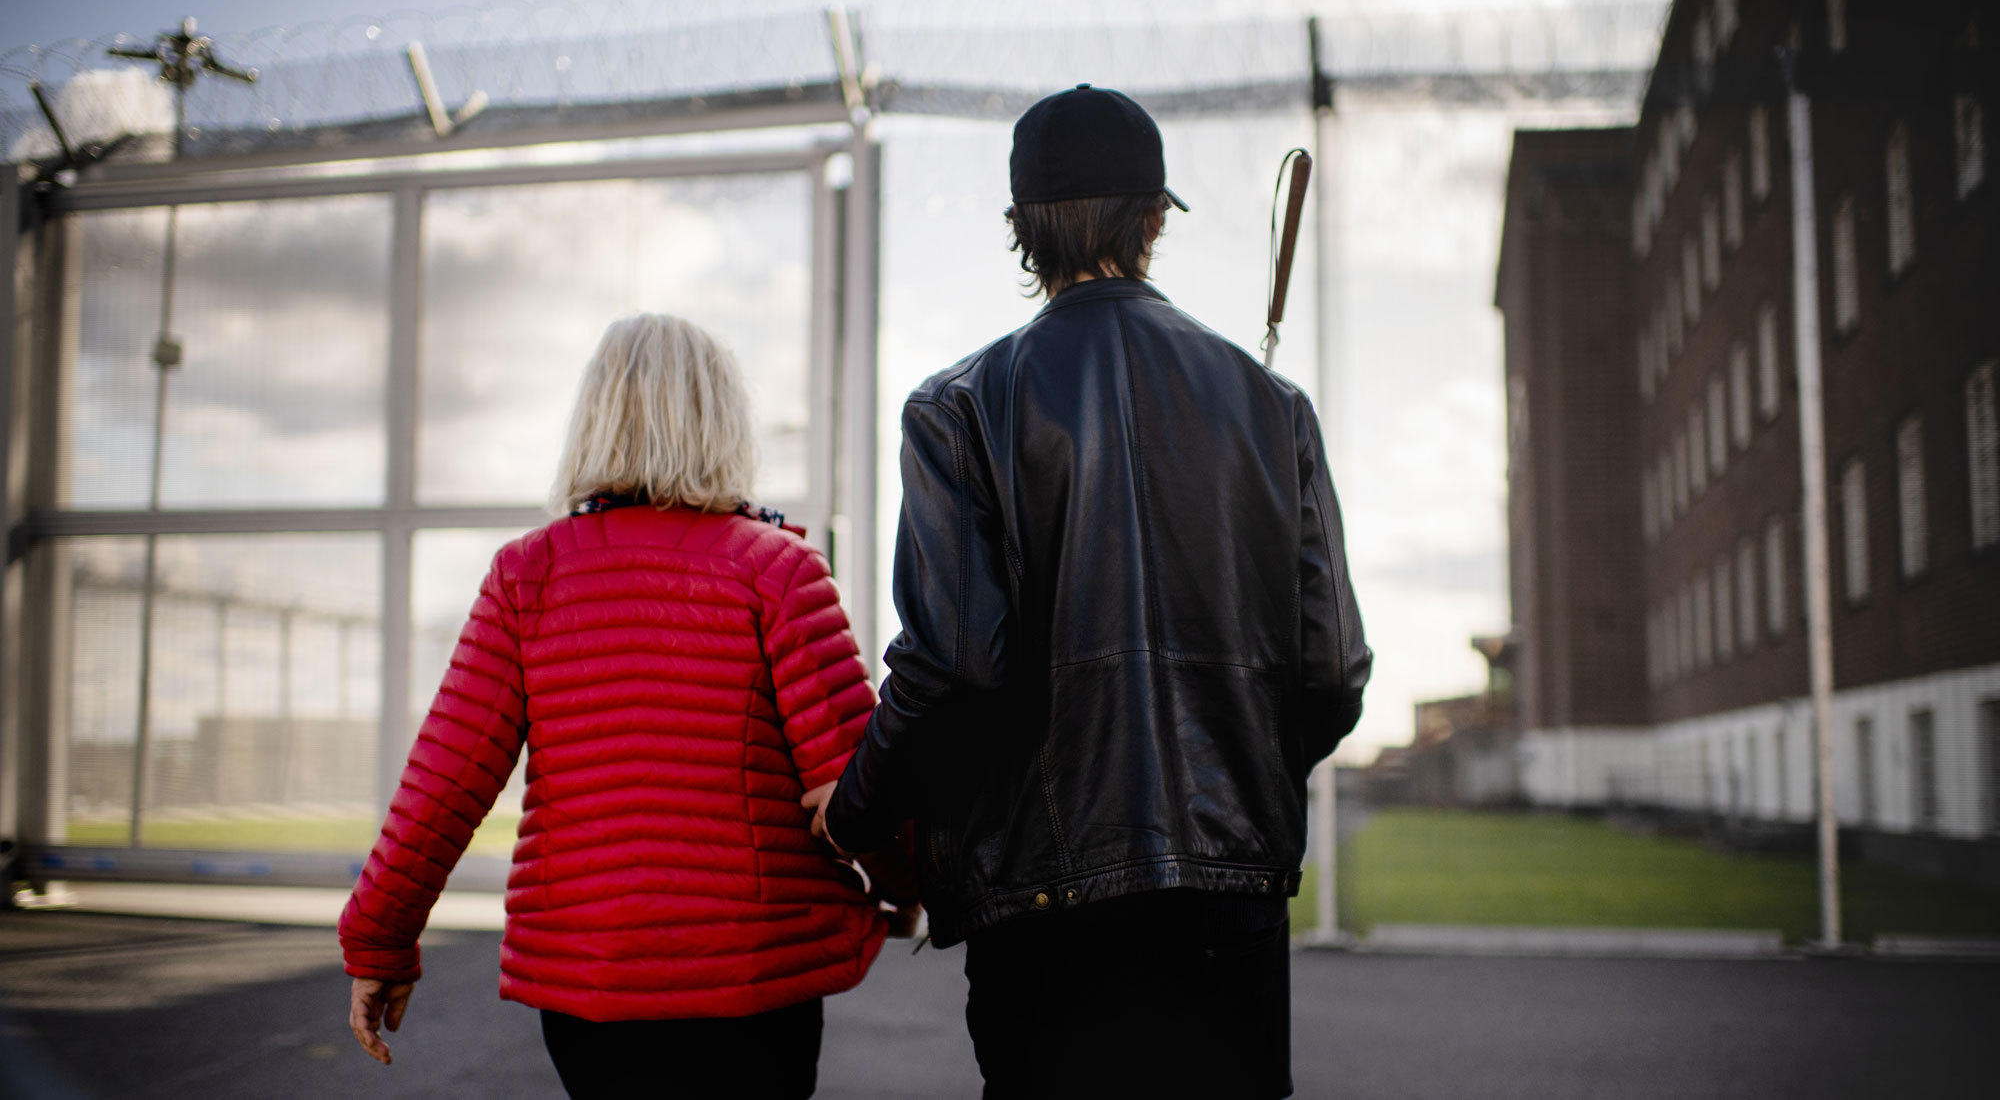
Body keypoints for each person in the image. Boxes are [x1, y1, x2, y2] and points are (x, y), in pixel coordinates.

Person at [804, 84, 1372, 1099]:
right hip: (1226, 903)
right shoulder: (1271, 405)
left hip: (1043, 913)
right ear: (1154, 220)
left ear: (1022, 230)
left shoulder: (956, 409)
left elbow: (955, 667)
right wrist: (1235, 767)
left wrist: (852, 814)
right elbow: (1329, 674)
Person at [339, 313, 913, 1100]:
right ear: (722, 422)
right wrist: (907, 883)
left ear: (596, 420)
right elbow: (859, 782)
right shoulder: (777, 570)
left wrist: (380, 941)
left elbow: (444, 783)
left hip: (591, 988)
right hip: (752, 988)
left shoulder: (526, 577)